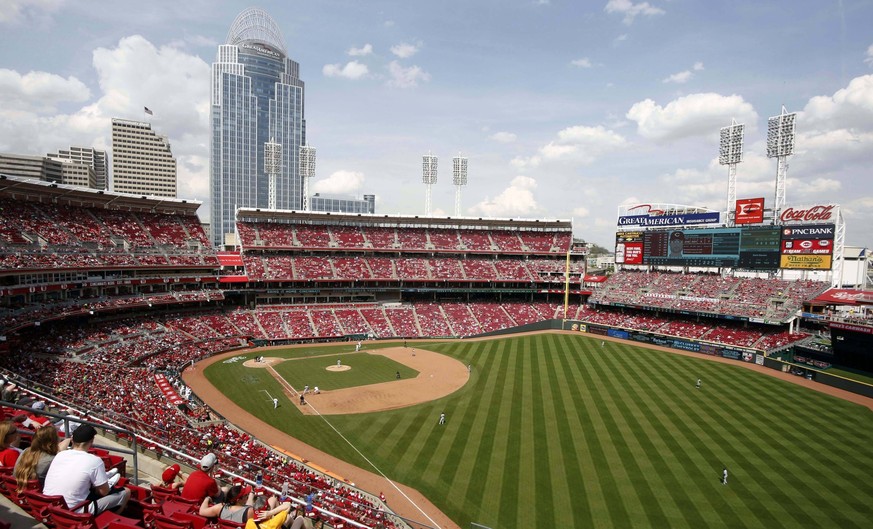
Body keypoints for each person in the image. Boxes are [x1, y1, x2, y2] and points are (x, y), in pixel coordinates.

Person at [43, 424, 130, 514]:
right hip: (73, 511)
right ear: (91, 442)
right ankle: (110, 520)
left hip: (49, 504)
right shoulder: (95, 460)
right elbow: (104, 492)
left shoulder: (60, 455)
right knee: (126, 492)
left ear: (72, 440)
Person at [13, 424, 70, 490]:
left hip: (20, 491)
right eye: (58, 437)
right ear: (52, 442)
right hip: (38, 494)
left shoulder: (26, 451)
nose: (59, 439)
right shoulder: (52, 460)